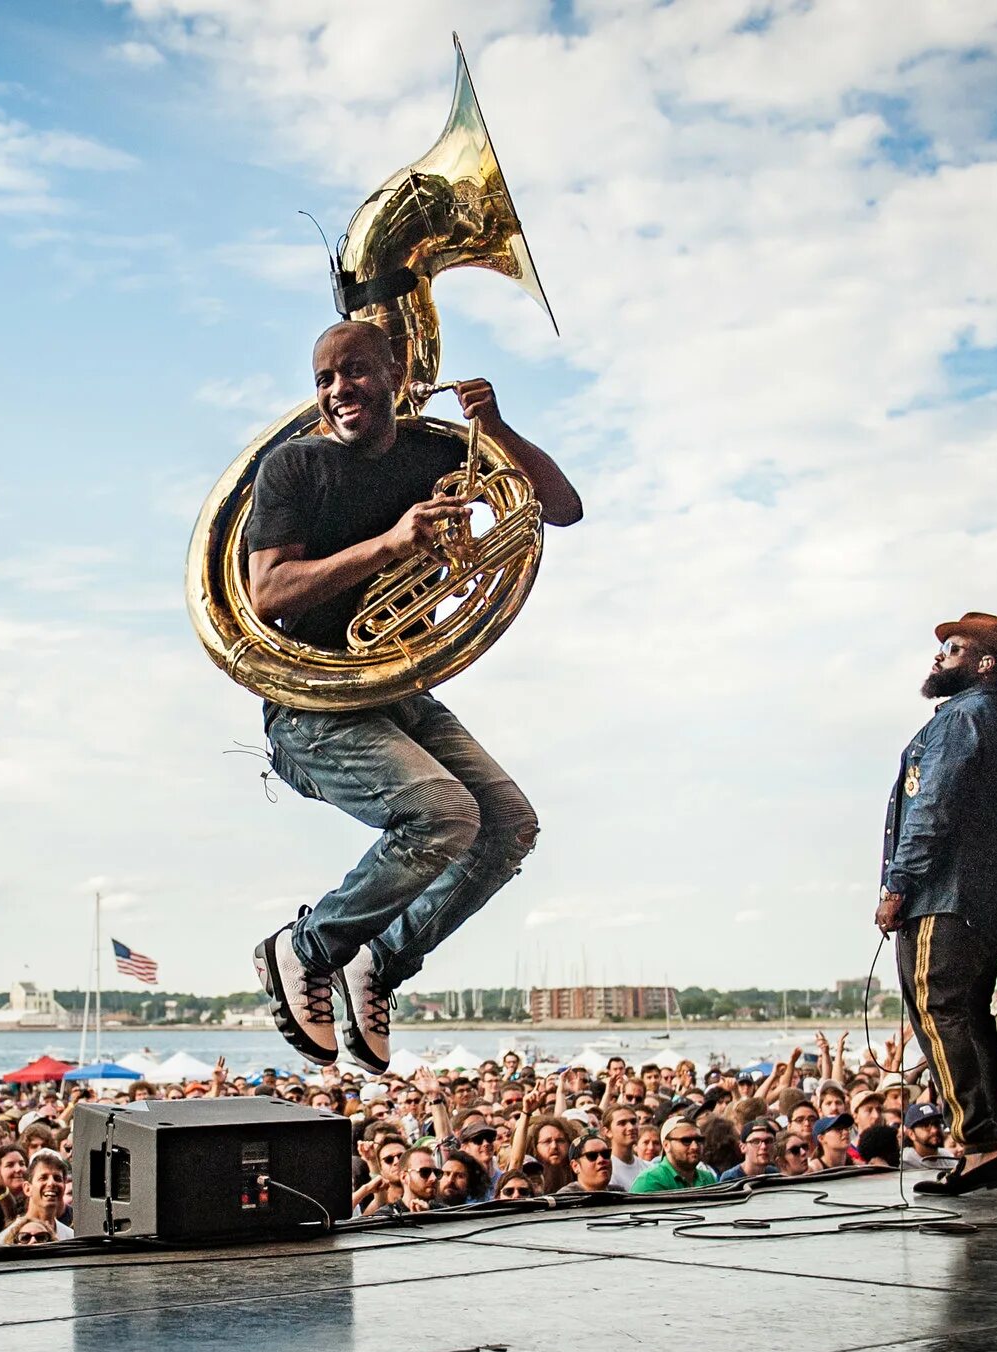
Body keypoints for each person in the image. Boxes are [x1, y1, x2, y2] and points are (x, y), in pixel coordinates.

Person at [245, 319, 582, 1073]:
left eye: (356, 371)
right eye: (324, 379)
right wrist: (393, 545)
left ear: (397, 372)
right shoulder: (293, 468)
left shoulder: (439, 452)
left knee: (508, 825)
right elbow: (267, 591)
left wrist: (492, 428)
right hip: (314, 706)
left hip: (399, 690)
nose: (338, 390)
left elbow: (559, 508)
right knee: (444, 813)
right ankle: (304, 949)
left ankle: (380, 966)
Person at [877, 612, 997, 1197]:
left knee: (937, 1009)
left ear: (984, 663)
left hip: (942, 898)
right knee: (973, 1017)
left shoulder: (958, 721)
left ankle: (978, 1147)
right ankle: (996, 1147)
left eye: (952, 649)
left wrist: (897, 887)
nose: (938, 656)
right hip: (995, 903)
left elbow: (930, 811)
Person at [630, 1118, 718, 1193]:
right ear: (666, 1145)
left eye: (699, 1140)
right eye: (686, 1140)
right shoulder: (650, 1181)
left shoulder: (708, 1178)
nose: (695, 1147)